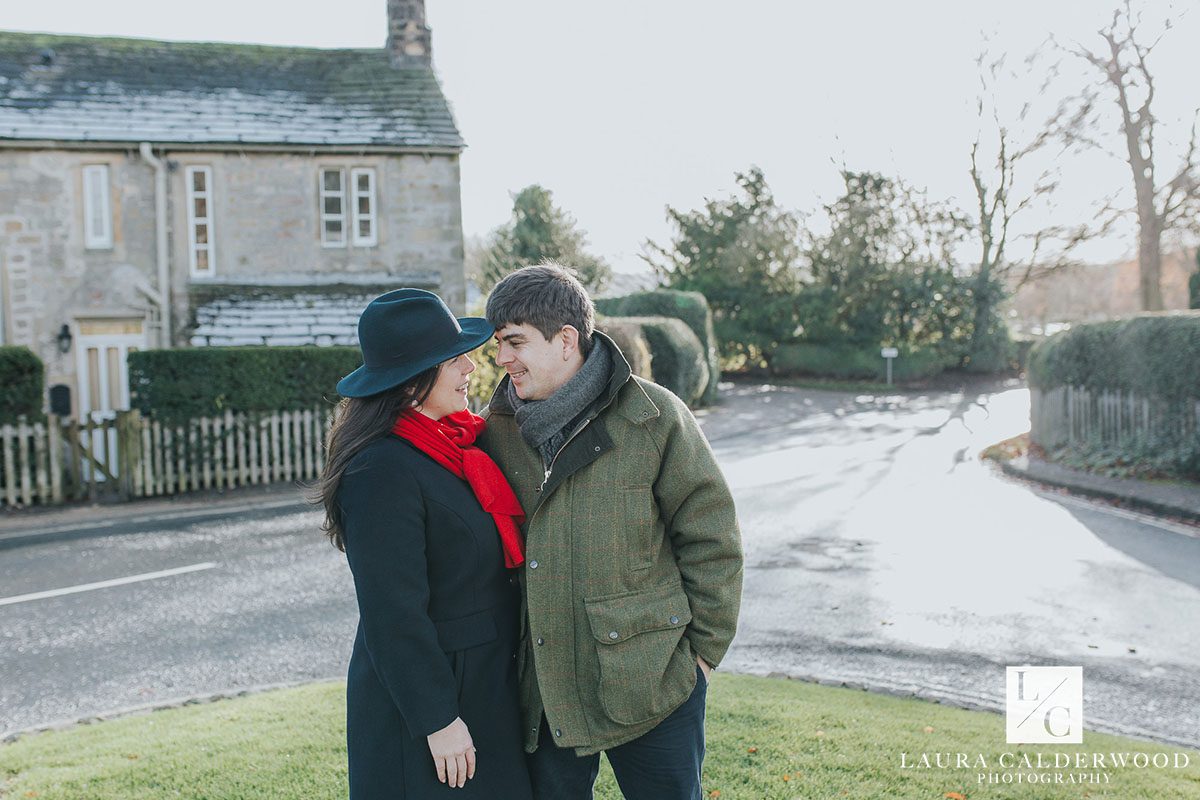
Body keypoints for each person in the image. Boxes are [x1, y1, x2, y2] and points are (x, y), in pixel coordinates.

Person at [477, 264, 743, 800]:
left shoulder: (655, 416)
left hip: (655, 683)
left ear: (566, 340)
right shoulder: (496, 430)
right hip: (544, 689)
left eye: (514, 342)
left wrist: (703, 657)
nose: (501, 359)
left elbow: (712, 538)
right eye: (499, 344)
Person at [315, 288, 534, 799]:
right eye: (454, 358)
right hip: (431, 708)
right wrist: (439, 719)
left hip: (483, 689)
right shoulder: (380, 469)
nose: (469, 368)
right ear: (414, 380)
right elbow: (392, 613)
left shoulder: (456, 445)